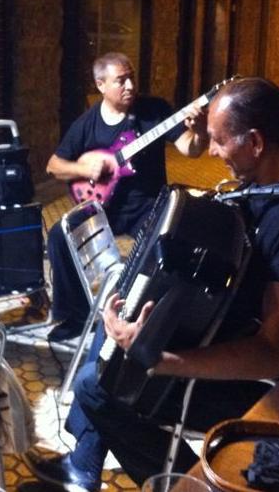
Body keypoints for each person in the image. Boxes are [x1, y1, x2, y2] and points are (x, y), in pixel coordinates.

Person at [27, 77, 279, 490]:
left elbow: (275, 354)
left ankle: (194, 483)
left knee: (97, 386)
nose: (213, 152)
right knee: (111, 334)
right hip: (240, 344)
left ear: (254, 142)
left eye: (219, 141)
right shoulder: (268, 187)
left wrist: (160, 359)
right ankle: (85, 462)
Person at [45, 52, 208, 341]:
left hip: (149, 206)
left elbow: (191, 149)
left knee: (163, 250)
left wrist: (199, 129)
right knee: (60, 234)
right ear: (101, 85)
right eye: (121, 80)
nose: (131, 85)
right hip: (104, 207)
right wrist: (83, 167)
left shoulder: (154, 111)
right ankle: (74, 315)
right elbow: (53, 165)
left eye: (131, 76)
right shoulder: (87, 123)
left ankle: (153, 319)